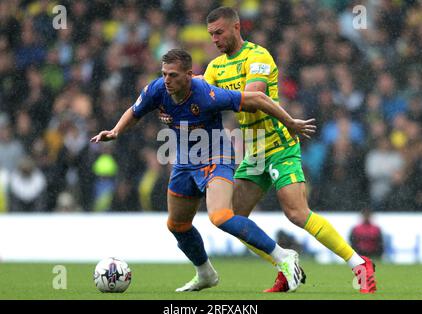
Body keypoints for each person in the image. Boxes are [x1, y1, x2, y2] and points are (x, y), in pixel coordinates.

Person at [91, 49, 316, 292]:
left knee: (220, 216)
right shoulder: (157, 89)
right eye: (164, 73)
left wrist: (290, 122)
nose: (167, 79)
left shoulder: (208, 95)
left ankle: (283, 256)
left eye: (173, 75)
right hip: (184, 163)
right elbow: (135, 113)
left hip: (216, 157)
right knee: (177, 225)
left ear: (189, 75)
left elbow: (258, 99)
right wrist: (115, 131)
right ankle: (205, 273)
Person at [201, 6, 376, 293]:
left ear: (236, 27)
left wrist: (213, 98)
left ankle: (359, 263)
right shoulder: (214, 67)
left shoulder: (258, 56)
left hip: (280, 144)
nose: (215, 39)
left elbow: (253, 95)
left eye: (219, 32)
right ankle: (284, 264)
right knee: (232, 219)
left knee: (296, 213)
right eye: (211, 35)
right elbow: (203, 101)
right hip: (255, 149)